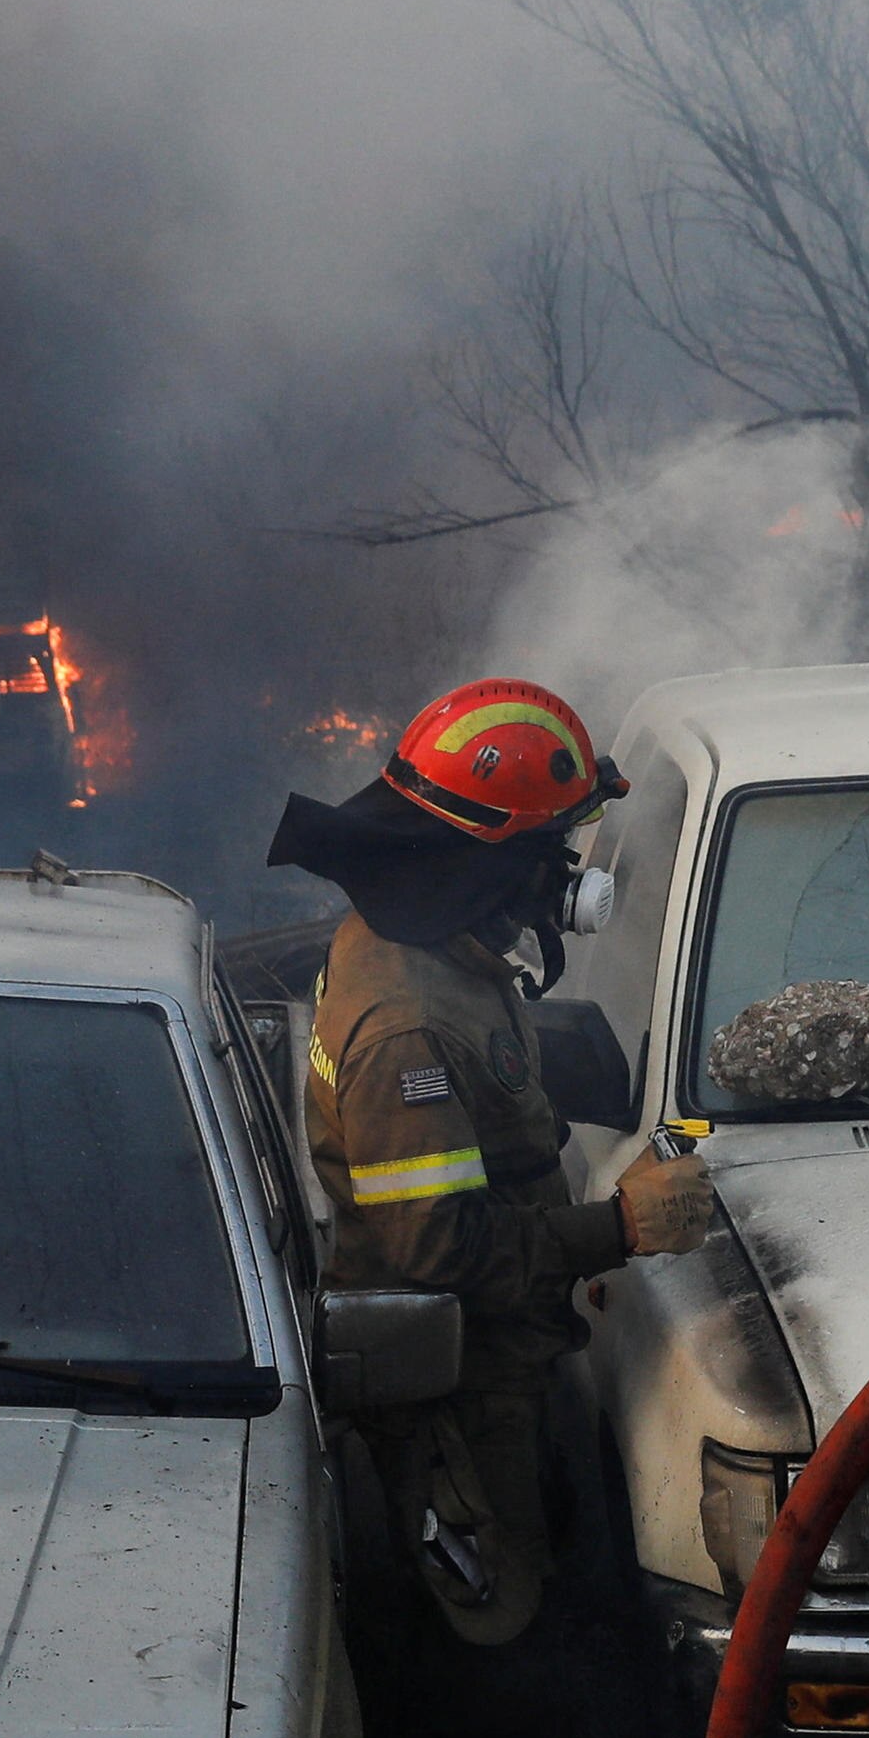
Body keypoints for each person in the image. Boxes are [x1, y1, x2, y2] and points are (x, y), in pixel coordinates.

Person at [267, 676, 711, 1681]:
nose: (570, 870)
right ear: (492, 860)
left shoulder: (435, 950)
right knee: (501, 1673)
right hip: (458, 1404)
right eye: (554, 846)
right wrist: (624, 1226)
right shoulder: (406, 1025)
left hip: (505, 1368)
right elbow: (441, 1247)